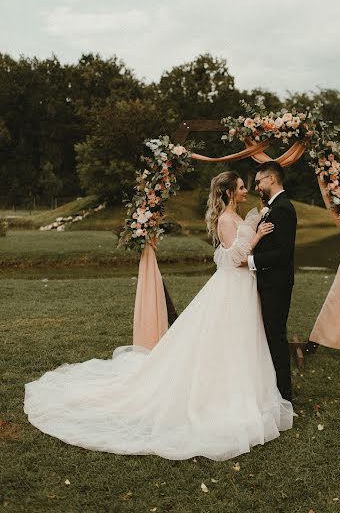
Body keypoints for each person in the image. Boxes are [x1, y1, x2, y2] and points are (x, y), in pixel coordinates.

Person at [24, 171, 293, 461]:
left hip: (245, 289)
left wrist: (255, 231)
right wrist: (255, 239)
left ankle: (247, 390)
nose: (245, 191)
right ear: (229, 193)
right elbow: (232, 259)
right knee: (224, 338)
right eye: (241, 187)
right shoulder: (226, 220)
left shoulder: (238, 217)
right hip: (233, 286)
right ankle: (219, 394)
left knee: (241, 341)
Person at [248, 162, 297, 403]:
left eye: (259, 181)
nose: (257, 186)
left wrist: (251, 261)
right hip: (269, 282)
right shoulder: (273, 206)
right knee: (269, 335)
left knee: (275, 337)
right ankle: (272, 390)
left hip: (276, 284)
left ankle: (284, 396)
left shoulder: (283, 209)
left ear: (272, 179)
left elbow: (283, 253)